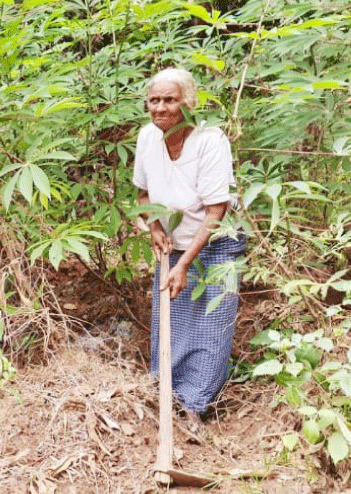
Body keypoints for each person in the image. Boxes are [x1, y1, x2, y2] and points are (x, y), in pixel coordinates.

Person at [132, 68, 245, 424]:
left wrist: (184, 265)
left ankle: (195, 405)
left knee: (212, 325)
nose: (160, 108)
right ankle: (166, 393)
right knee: (171, 321)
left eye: (170, 99)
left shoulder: (210, 140)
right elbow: (143, 193)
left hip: (218, 243)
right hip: (173, 244)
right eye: (154, 100)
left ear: (189, 103)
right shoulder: (147, 138)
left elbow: (216, 209)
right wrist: (153, 227)